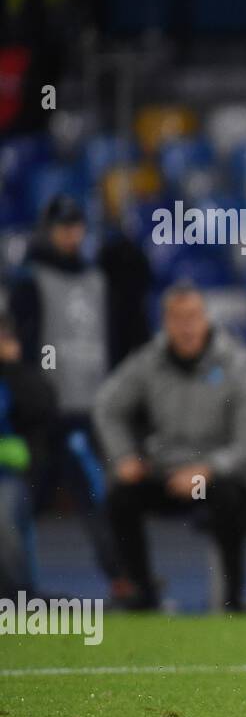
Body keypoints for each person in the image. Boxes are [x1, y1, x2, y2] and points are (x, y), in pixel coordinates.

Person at [93, 284, 246, 610]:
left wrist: (208, 469)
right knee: (120, 494)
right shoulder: (149, 361)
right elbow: (107, 405)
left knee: (229, 498)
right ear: (165, 323)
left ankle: (230, 600)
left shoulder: (238, 365)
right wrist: (124, 455)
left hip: (217, 474)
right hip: (166, 470)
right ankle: (142, 591)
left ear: (206, 319)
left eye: (192, 317)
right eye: (177, 318)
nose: (186, 326)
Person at [5, 195, 118, 592]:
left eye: (76, 226)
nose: (71, 235)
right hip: (43, 412)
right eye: (63, 227)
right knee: (24, 501)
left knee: (95, 496)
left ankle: (122, 579)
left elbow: (107, 338)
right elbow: (31, 345)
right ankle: (16, 585)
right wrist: (42, 384)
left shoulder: (96, 279)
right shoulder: (31, 280)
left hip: (88, 409)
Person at [0, 312, 55, 597]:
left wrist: (10, 367)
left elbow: (43, 404)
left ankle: (15, 595)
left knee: (4, 512)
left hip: (10, 474)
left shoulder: (20, 378)